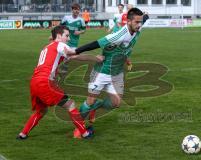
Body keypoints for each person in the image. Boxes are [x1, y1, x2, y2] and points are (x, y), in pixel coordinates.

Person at [65, 8, 144, 138]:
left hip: (117, 73)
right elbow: (95, 44)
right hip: (101, 72)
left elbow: (144, 19)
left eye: (140, 22)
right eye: (136, 22)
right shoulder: (118, 35)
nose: (139, 25)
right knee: (89, 101)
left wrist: (145, 16)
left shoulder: (137, 28)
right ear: (128, 21)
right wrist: (75, 51)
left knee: (116, 103)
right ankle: (79, 127)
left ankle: (95, 107)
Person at [16, 25, 104, 140]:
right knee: (70, 104)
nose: (68, 39)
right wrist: (96, 59)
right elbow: (73, 54)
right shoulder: (60, 45)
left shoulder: (46, 47)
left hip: (34, 82)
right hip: (45, 82)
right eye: (66, 36)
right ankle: (85, 133)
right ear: (58, 36)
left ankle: (23, 134)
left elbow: (62, 59)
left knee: (42, 111)